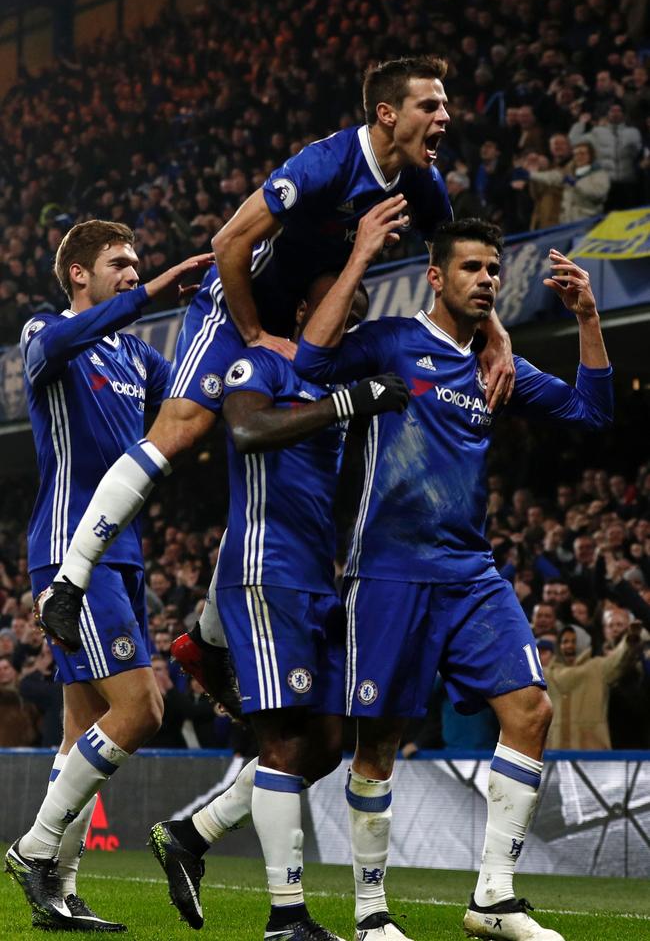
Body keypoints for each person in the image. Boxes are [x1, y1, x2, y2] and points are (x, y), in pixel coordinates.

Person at [34, 56, 514, 694]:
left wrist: (496, 332)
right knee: (179, 433)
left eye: (446, 105)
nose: (446, 117)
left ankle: (205, 638)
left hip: (304, 328)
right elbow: (231, 242)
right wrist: (255, 331)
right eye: (431, 106)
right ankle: (69, 582)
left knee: (282, 472)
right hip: (237, 305)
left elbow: (458, 261)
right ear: (387, 114)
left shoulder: (421, 184)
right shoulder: (324, 164)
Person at [293, 210, 614, 941]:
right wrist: (362, 259)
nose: (487, 281)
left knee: (530, 710)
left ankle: (493, 899)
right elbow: (310, 364)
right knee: (377, 742)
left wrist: (589, 318)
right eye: (471, 268)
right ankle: (371, 915)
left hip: (471, 572)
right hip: (388, 572)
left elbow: (593, 412)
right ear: (436, 277)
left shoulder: (495, 364)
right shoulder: (391, 344)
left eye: (494, 271)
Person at [148, 274, 411, 941]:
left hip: (316, 580)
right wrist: (348, 403)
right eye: (342, 312)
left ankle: (190, 832)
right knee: (284, 740)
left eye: (359, 318)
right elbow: (246, 429)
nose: (350, 327)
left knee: (326, 740)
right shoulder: (259, 360)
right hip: (264, 573)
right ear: (303, 306)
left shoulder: (333, 379)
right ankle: (285, 918)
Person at [4, 219, 211, 931]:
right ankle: (33, 850)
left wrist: (209, 306)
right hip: (68, 554)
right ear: (78, 275)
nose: (133, 271)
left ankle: (57, 890)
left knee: (84, 730)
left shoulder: (135, 356)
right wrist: (153, 290)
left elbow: (188, 392)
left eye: (138, 261)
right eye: (119, 263)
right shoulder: (44, 335)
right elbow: (61, 342)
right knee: (142, 710)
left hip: (123, 556)